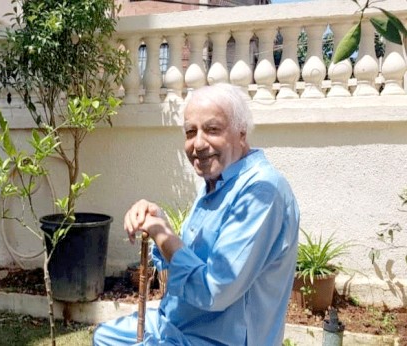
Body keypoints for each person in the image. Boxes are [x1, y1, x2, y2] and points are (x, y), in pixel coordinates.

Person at [93, 83, 300, 346]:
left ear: (241, 134)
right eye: (191, 132)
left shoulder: (261, 191)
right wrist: (158, 220)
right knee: (106, 337)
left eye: (212, 130)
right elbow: (189, 262)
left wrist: (162, 235)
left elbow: (214, 290)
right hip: (178, 324)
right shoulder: (217, 182)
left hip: (215, 339)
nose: (198, 144)